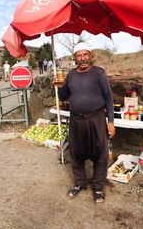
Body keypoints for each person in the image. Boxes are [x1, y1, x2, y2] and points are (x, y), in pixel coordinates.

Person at [55, 42, 115, 204]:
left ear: (91, 55)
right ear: (75, 58)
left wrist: (110, 121)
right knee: (76, 152)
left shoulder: (99, 73)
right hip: (76, 120)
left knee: (100, 154)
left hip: (96, 119)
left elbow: (109, 98)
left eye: (85, 55)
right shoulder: (71, 75)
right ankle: (80, 183)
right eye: (79, 55)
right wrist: (61, 87)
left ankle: (98, 188)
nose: (82, 59)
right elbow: (63, 97)